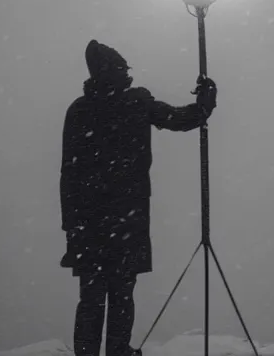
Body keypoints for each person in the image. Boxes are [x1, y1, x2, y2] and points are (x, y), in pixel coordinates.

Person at [59, 40, 217, 356]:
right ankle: (118, 351)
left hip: (91, 222)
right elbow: (182, 119)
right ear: (116, 71)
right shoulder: (135, 102)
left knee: (94, 296)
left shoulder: (81, 109)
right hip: (125, 217)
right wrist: (205, 102)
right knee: (120, 293)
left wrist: (72, 225)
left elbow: (69, 175)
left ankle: (91, 353)